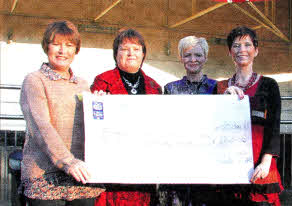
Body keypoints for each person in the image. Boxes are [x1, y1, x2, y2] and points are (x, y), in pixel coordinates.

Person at [20, 20, 105, 206]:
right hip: (45, 176)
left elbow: (92, 127)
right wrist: (68, 162)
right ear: (46, 47)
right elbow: (41, 127)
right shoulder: (34, 81)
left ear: (76, 49)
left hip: (79, 176)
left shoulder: (82, 84)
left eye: (69, 45)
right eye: (56, 44)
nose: (62, 51)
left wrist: (99, 103)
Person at [90, 28, 162, 206]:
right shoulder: (102, 81)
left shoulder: (155, 87)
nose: (131, 53)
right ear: (116, 54)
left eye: (137, 49)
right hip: (113, 172)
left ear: (143, 54)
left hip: (145, 170)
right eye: (125, 48)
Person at [216, 26, 283, 206]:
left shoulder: (269, 85)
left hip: (260, 165)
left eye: (247, 44)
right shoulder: (220, 88)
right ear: (230, 52)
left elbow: (274, 125)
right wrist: (223, 100)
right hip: (229, 166)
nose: (242, 50)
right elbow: (216, 128)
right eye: (236, 46)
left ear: (256, 50)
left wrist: (266, 161)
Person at [160, 36, 217, 206]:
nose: (193, 60)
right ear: (181, 58)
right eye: (188, 55)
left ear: (205, 57)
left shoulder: (217, 88)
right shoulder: (170, 89)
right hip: (178, 161)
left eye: (198, 55)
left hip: (207, 161)